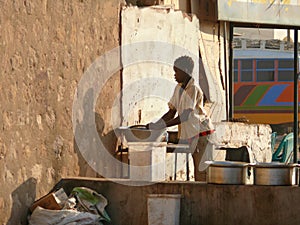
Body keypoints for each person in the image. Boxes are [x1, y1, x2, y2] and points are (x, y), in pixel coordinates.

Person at [146, 55, 214, 181]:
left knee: (202, 172)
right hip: (192, 133)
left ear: (186, 71)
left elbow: (185, 116)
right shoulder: (178, 88)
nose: (174, 75)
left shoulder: (193, 88)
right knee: (198, 170)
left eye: (177, 71)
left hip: (202, 133)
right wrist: (156, 124)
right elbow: (171, 112)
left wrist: (162, 125)